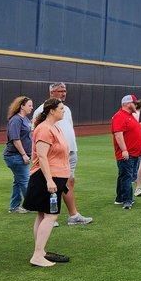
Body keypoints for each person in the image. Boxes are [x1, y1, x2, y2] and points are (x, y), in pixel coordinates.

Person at [32, 82, 92, 225]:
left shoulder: (66, 109)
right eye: (60, 91)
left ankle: (73, 215)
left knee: (69, 182)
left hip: (70, 151)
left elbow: (68, 128)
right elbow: (37, 132)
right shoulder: (42, 110)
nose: (63, 93)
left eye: (65, 90)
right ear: (52, 93)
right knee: (53, 185)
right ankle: (50, 216)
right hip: (54, 154)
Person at [22, 98, 71, 267]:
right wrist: (50, 180)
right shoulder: (44, 129)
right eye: (61, 108)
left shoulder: (54, 128)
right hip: (46, 177)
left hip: (54, 176)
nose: (63, 111)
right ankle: (37, 256)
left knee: (43, 214)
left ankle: (40, 251)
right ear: (52, 110)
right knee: (51, 215)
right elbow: (42, 156)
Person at [111, 94, 141, 209]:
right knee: (127, 176)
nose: (136, 105)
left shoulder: (129, 115)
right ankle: (127, 200)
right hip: (127, 153)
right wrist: (124, 150)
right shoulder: (120, 116)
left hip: (133, 153)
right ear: (127, 104)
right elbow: (118, 134)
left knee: (124, 176)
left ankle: (120, 198)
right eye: (134, 103)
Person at [4, 96, 33, 213]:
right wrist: (24, 154)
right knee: (26, 181)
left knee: (18, 182)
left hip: (20, 156)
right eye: (29, 105)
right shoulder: (16, 120)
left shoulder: (25, 119)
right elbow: (15, 139)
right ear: (22, 106)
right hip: (15, 156)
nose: (32, 107)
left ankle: (14, 207)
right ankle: (33, 204)